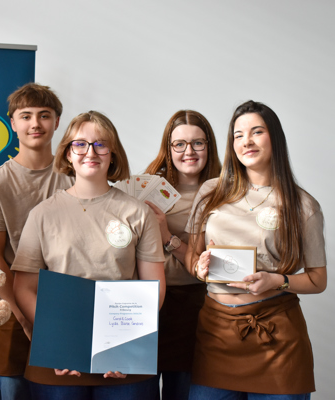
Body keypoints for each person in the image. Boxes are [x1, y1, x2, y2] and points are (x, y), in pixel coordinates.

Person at [12, 111, 166, 400]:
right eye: (80, 144)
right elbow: (24, 288)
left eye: (100, 144)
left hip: (123, 361)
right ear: (68, 153)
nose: (90, 152)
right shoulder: (42, 214)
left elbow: (154, 287)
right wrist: (57, 339)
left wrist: (124, 343)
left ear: (113, 153)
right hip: (58, 360)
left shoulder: (138, 213)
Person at [185, 100, 327, 400]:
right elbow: (192, 255)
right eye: (238, 135)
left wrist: (278, 280)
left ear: (275, 138)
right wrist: (198, 267)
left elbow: (318, 279)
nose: (246, 141)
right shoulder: (210, 191)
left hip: (277, 337)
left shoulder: (303, 205)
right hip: (217, 334)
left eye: (257, 132)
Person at [0, 83, 73, 399]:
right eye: (26, 116)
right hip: (13, 306)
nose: (35, 124)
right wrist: (20, 314)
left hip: (66, 306)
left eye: (44, 115)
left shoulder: (75, 176)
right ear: (13, 123)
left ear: (57, 122)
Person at [144, 110, 221, 400]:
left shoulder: (223, 194)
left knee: (183, 391)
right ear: (168, 148)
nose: (189, 151)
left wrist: (167, 236)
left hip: (195, 305)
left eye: (198, 143)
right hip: (148, 302)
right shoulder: (148, 190)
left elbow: (211, 265)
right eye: (179, 144)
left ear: (209, 147)